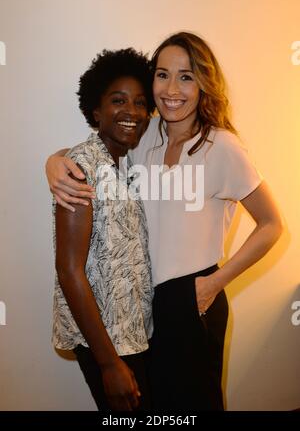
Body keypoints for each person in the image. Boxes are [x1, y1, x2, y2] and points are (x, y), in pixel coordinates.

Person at [46, 32, 283, 410]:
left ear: (204, 84)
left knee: (194, 406)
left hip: (193, 297)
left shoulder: (221, 146)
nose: (172, 88)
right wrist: (55, 160)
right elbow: (95, 148)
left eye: (186, 76)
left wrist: (212, 285)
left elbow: (271, 225)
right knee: (155, 410)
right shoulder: (144, 134)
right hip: (142, 305)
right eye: (162, 74)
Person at [52, 48, 156, 411]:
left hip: (129, 332)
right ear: (96, 112)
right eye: (118, 100)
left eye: (141, 103)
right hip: (104, 340)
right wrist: (109, 363)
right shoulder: (81, 165)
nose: (132, 111)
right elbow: (68, 269)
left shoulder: (123, 164)